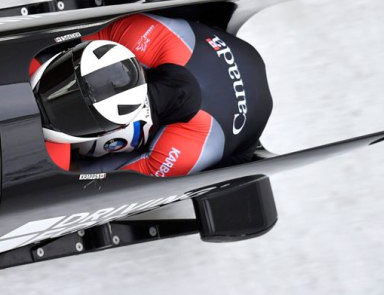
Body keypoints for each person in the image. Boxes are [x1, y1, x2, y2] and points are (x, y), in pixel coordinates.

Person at [30, 13, 272, 177]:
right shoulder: (138, 34)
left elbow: (104, 179)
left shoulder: (181, 150)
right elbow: (71, 46)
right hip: (190, 50)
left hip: (231, 134)